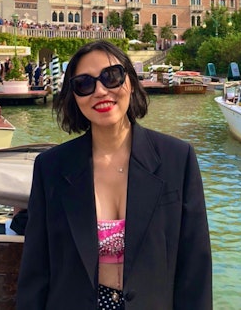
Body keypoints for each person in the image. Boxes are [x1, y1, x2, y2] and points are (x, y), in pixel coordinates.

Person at [16, 41, 212, 309]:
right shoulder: (50, 168)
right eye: (84, 84)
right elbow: (36, 270)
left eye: (111, 77)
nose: (100, 91)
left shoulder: (177, 159)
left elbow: (195, 267)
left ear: (130, 81)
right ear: (74, 96)